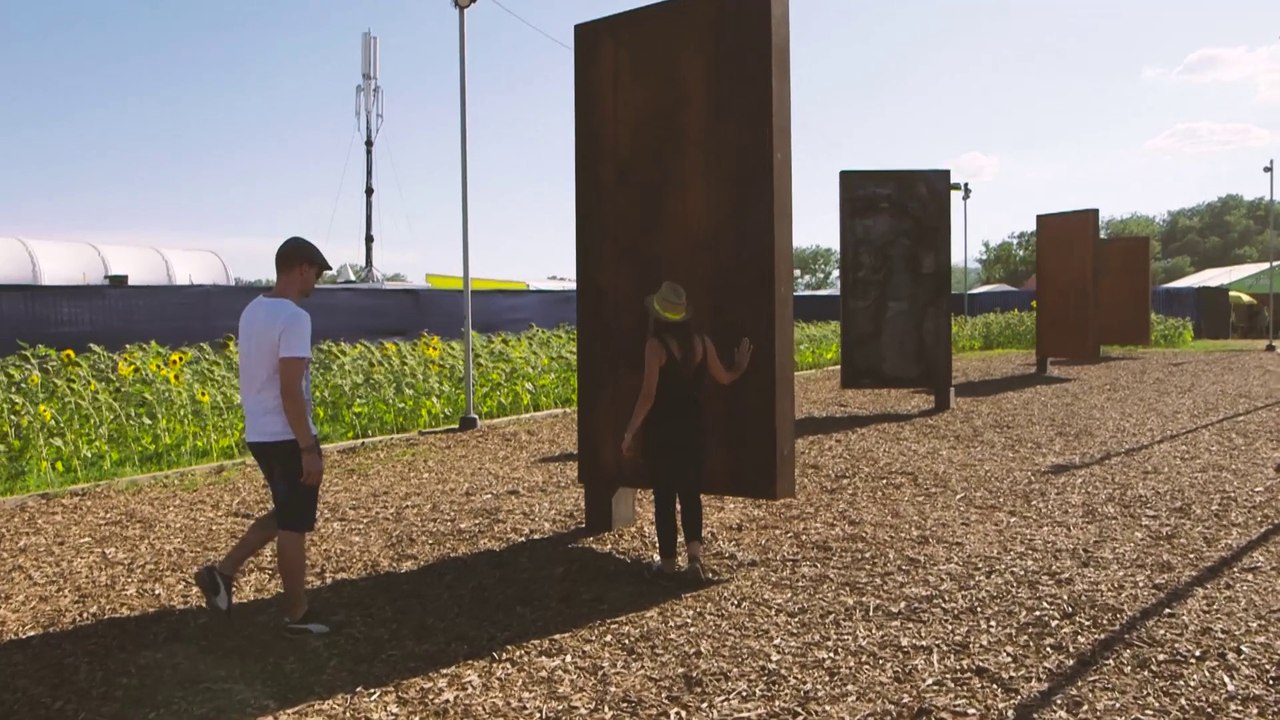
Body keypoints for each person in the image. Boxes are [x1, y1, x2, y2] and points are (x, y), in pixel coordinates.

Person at [194, 236, 333, 636]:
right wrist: (308, 446)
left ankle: (222, 572)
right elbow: (291, 390)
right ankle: (296, 613)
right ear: (302, 268)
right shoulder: (294, 318)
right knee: (294, 525)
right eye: (317, 274)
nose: (316, 284)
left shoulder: (252, 311)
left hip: (260, 433)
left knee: (285, 512)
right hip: (287, 436)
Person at [621, 281, 752, 579]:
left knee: (664, 496)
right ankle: (694, 560)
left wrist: (630, 431)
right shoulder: (701, 343)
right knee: (691, 492)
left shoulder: (655, 347)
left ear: (659, 315)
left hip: (662, 431)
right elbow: (724, 378)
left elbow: (647, 396)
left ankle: (667, 564)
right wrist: (740, 368)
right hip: (693, 427)